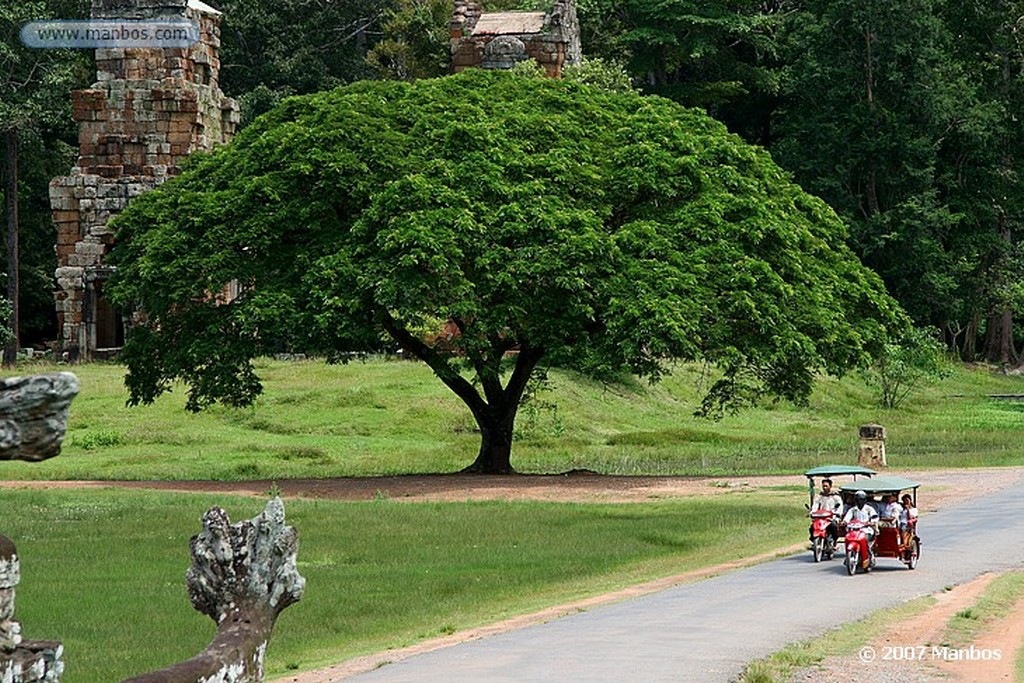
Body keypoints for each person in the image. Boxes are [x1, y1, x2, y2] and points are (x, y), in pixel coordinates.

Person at [843, 490, 879, 565]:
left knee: (865, 540)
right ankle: (848, 557)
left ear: (864, 500)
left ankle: (870, 556)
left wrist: (871, 522)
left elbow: (875, 517)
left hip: (867, 530)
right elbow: (847, 518)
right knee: (847, 537)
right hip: (855, 530)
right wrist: (844, 522)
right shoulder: (853, 509)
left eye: (861, 500)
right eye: (857, 500)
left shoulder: (869, 509)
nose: (859, 502)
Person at [810, 478, 844, 545]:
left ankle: (834, 540)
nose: (825, 488)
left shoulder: (835, 496)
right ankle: (814, 541)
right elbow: (815, 505)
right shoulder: (820, 496)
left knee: (833, 526)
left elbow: (840, 506)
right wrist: (813, 512)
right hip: (821, 517)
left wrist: (837, 513)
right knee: (812, 527)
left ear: (830, 486)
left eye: (826, 486)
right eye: (823, 486)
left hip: (832, 517)